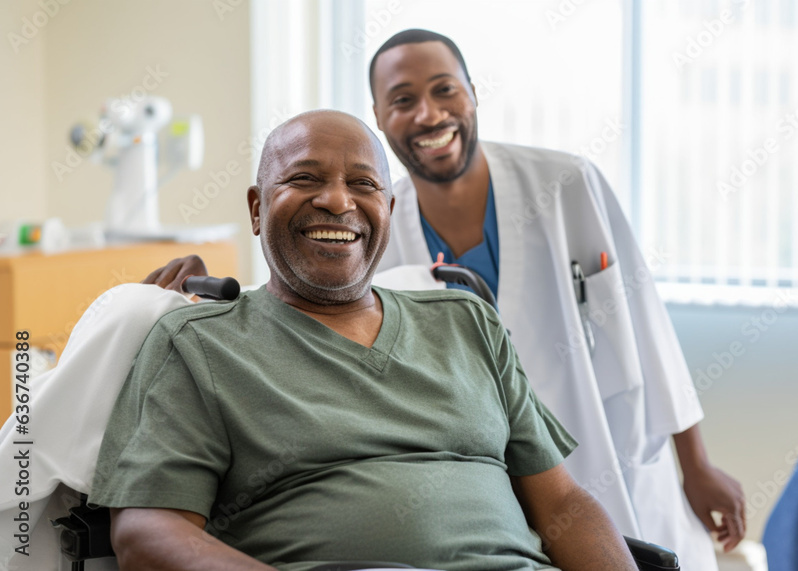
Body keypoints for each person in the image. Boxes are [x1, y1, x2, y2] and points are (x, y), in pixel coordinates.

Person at [147, 29, 746, 569]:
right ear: (381, 115)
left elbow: (646, 326)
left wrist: (696, 464)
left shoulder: (557, 196)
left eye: (444, 89)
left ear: (473, 95)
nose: (427, 112)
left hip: (587, 456)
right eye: (403, 99)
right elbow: (304, 285)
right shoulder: (216, 339)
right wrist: (204, 289)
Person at [91, 110, 639, 571]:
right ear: (257, 209)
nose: (337, 201)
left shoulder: (467, 322)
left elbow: (563, 502)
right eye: (305, 179)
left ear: (389, 210)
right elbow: (147, 533)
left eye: (364, 184)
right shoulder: (201, 344)